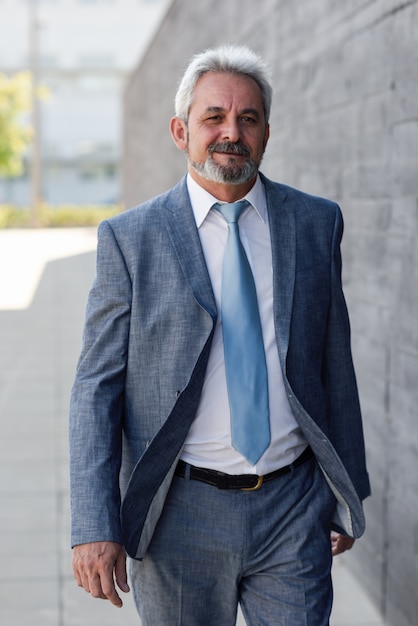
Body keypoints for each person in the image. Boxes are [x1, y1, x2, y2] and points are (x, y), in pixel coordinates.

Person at [70, 44, 370, 625]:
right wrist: (93, 524)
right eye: (214, 117)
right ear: (181, 130)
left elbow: (336, 361)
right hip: (177, 513)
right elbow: (95, 389)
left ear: (265, 132)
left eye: (248, 118)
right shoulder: (130, 240)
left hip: (293, 507)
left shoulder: (315, 223)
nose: (231, 132)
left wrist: (345, 488)